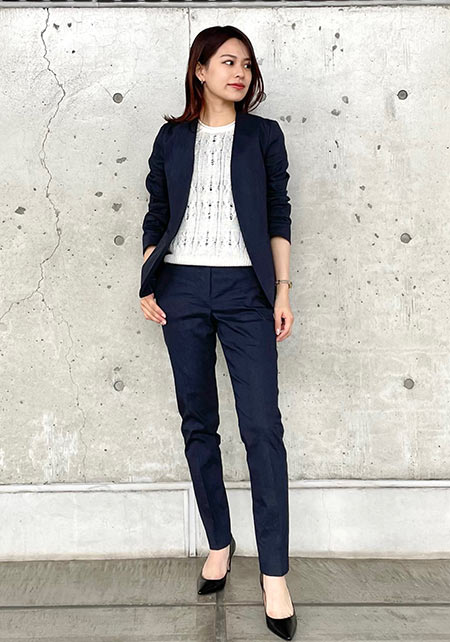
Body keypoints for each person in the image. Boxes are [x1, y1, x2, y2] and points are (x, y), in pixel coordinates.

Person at [139, 25, 297, 641]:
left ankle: (275, 575)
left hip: (246, 292)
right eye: (228, 62)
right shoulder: (171, 137)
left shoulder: (263, 136)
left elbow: (279, 211)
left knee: (262, 429)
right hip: (180, 288)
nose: (240, 73)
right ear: (200, 69)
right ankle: (219, 541)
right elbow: (157, 210)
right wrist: (148, 278)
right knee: (197, 420)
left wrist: (282, 291)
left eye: (247, 65)